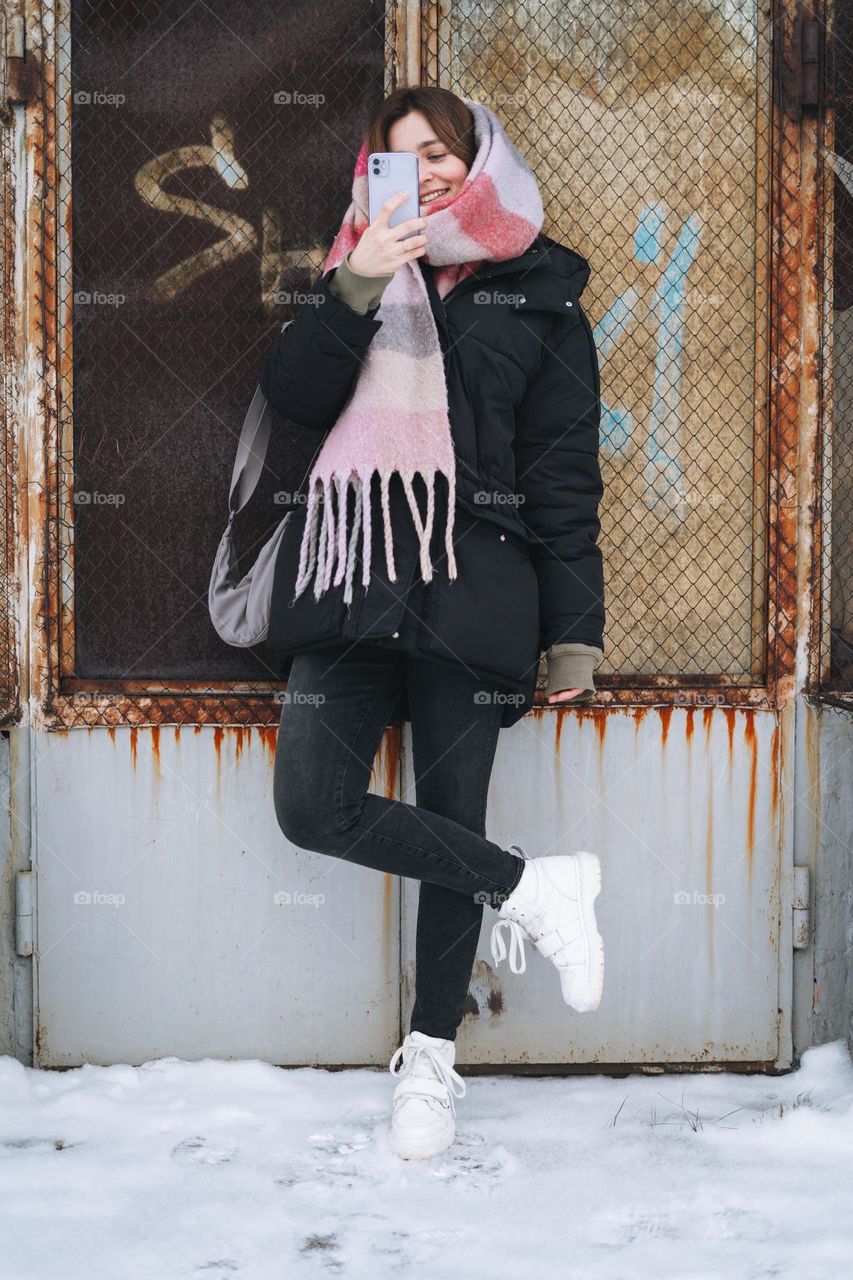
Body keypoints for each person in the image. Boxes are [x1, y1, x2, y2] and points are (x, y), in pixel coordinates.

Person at [260, 86, 606, 1161]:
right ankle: (534, 884)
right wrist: (359, 283)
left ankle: (431, 1060)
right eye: (405, 159)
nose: (433, 174)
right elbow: (294, 403)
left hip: (475, 591)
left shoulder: (541, 289)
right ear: (377, 178)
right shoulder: (348, 270)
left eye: (445, 152)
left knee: (452, 808)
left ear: (480, 156)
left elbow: (561, 474)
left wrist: (574, 631)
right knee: (311, 803)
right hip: (353, 590)